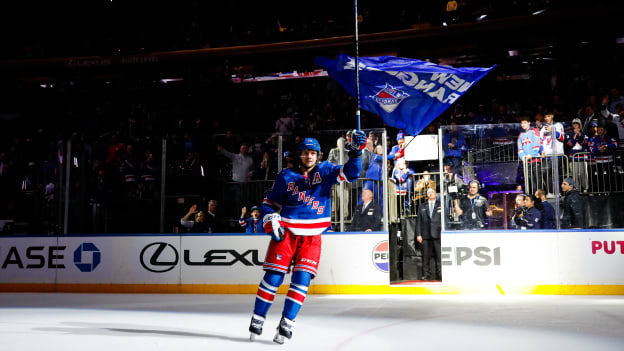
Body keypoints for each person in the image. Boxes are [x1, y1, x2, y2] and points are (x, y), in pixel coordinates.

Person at [248, 131, 365, 344]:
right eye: (305, 153)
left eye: (313, 153)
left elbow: (351, 174)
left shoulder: (327, 171)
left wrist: (355, 154)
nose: (309, 156)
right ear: (299, 155)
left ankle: (287, 323)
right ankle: (258, 318)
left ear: (318, 156)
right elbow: (269, 203)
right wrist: (270, 217)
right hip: (286, 233)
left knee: (301, 279)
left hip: (312, 236)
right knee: (274, 277)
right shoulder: (286, 176)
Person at [416, 187, 441, 281]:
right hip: (425, 235)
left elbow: (445, 219)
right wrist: (418, 234)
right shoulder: (422, 206)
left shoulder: (441, 205)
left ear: (435, 194)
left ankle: (440, 274)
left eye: (432, 192)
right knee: (426, 256)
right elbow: (418, 221)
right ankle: (426, 274)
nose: (430, 193)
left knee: (439, 256)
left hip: (438, 234)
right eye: (428, 192)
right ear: (427, 195)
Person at [540, 113, 565, 195]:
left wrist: (552, 130)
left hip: (557, 155)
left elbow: (562, 137)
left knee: (557, 175)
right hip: (547, 156)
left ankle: (559, 192)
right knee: (545, 173)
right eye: (545, 116)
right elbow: (540, 140)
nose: (546, 118)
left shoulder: (558, 125)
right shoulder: (543, 128)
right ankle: (551, 192)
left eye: (548, 116)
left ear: (552, 116)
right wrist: (541, 150)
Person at [517, 116, 543, 193]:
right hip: (526, 162)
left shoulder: (535, 131)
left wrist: (531, 155)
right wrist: (523, 156)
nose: (523, 125)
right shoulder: (520, 135)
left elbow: (537, 144)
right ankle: (532, 199)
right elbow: (520, 148)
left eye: (524, 123)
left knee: (537, 181)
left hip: (535, 160)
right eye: (521, 123)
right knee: (530, 181)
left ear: (529, 123)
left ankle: (539, 198)